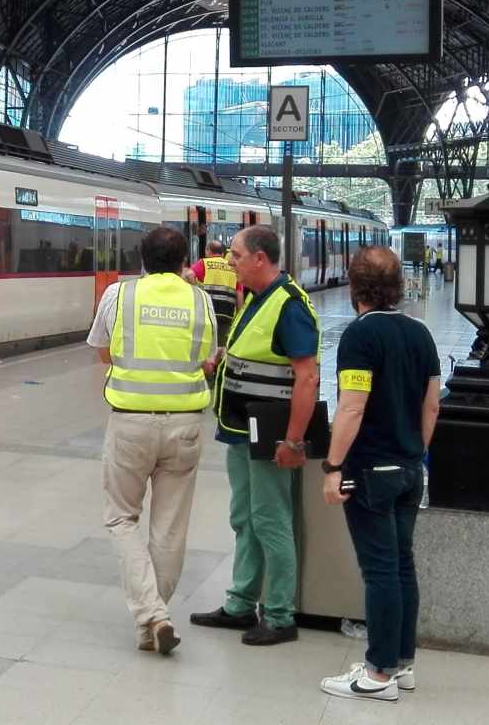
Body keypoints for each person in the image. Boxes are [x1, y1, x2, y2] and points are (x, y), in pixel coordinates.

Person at [320, 247, 441, 702]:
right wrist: (416, 451)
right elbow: (432, 404)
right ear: (398, 285)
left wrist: (333, 467)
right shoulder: (421, 333)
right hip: (410, 468)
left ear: (355, 286)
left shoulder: (360, 336)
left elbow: (351, 407)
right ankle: (402, 663)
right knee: (402, 565)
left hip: (372, 470)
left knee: (380, 571)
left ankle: (376, 674)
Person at [190, 224, 320, 646]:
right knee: (244, 517)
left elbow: (307, 378)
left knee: (270, 519)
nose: (230, 262)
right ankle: (241, 603)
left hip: (270, 434)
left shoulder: (290, 305)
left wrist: (293, 441)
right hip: (238, 428)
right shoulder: (256, 298)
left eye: (236, 255)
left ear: (260, 258)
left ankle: (280, 615)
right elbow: (257, 352)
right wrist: (222, 359)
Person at [89, 226, 216, 656]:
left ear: (141, 259)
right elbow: (206, 358)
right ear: (185, 261)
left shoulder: (119, 296)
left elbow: (102, 351)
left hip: (130, 423)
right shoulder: (201, 300)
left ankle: (152, 614)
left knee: (121, 518)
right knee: (170, 527)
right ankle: (154, 618)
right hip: (185, 425)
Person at [191, 240, 243, 348]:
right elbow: (239, 293)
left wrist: (197, 289)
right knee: (221, 346)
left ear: (208, 251)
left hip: (208, 311)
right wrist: (239, 316)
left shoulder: (205, 263)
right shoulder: (232, 267)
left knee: (205, 344)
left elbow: (189, 274)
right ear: (223, 254)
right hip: (226, 313)